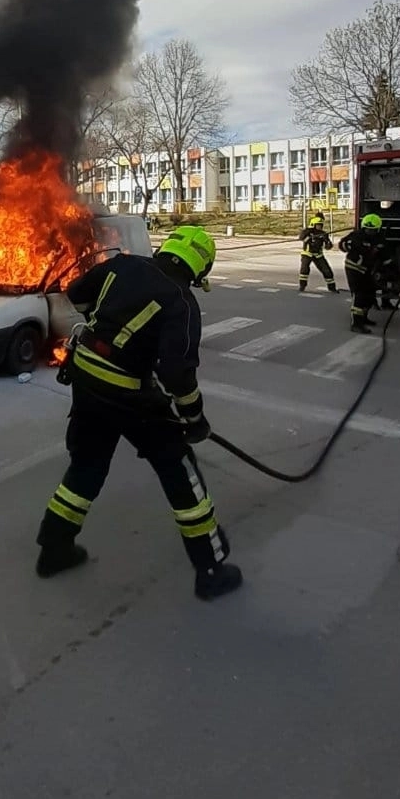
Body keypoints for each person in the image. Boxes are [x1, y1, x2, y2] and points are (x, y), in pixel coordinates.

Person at [35, 225, 243, 602]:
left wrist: (107, 320)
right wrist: (194, 419)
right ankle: (210, 570)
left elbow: (77, 295)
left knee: (87, 464)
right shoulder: (182, 302)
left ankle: (54, 547)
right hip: (130, 395)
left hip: (86, 376)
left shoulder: (124, 266)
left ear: (168, 247)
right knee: (180, 473)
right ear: (200, 269)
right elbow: (177, 374)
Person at [338, 213, 389, 333]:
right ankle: (356, 324)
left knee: (370, 294)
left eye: (373, 230)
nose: (370, 232)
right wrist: (349, 245)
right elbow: (342, 245)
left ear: (378, 229)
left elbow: (384, 253)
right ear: (363, 227)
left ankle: (364, 318)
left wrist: (388, 268)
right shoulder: (356, 236)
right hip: (354, 269)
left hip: (367, 270)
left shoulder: (380, 238)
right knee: (359, 295)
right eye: (368, 229)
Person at [298, 213, 337, 293]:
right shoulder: (307, 231)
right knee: (304, 270)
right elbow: (301, 238)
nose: (320, 227)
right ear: (313, 224)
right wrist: (308, 238)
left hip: (318, 255)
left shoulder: (323, 233)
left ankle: (332, 288)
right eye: (318, 225)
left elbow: (327, 246)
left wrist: (328, 244)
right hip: (307, 253)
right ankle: (302, 286)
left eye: (321, 225)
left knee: (327, 271)